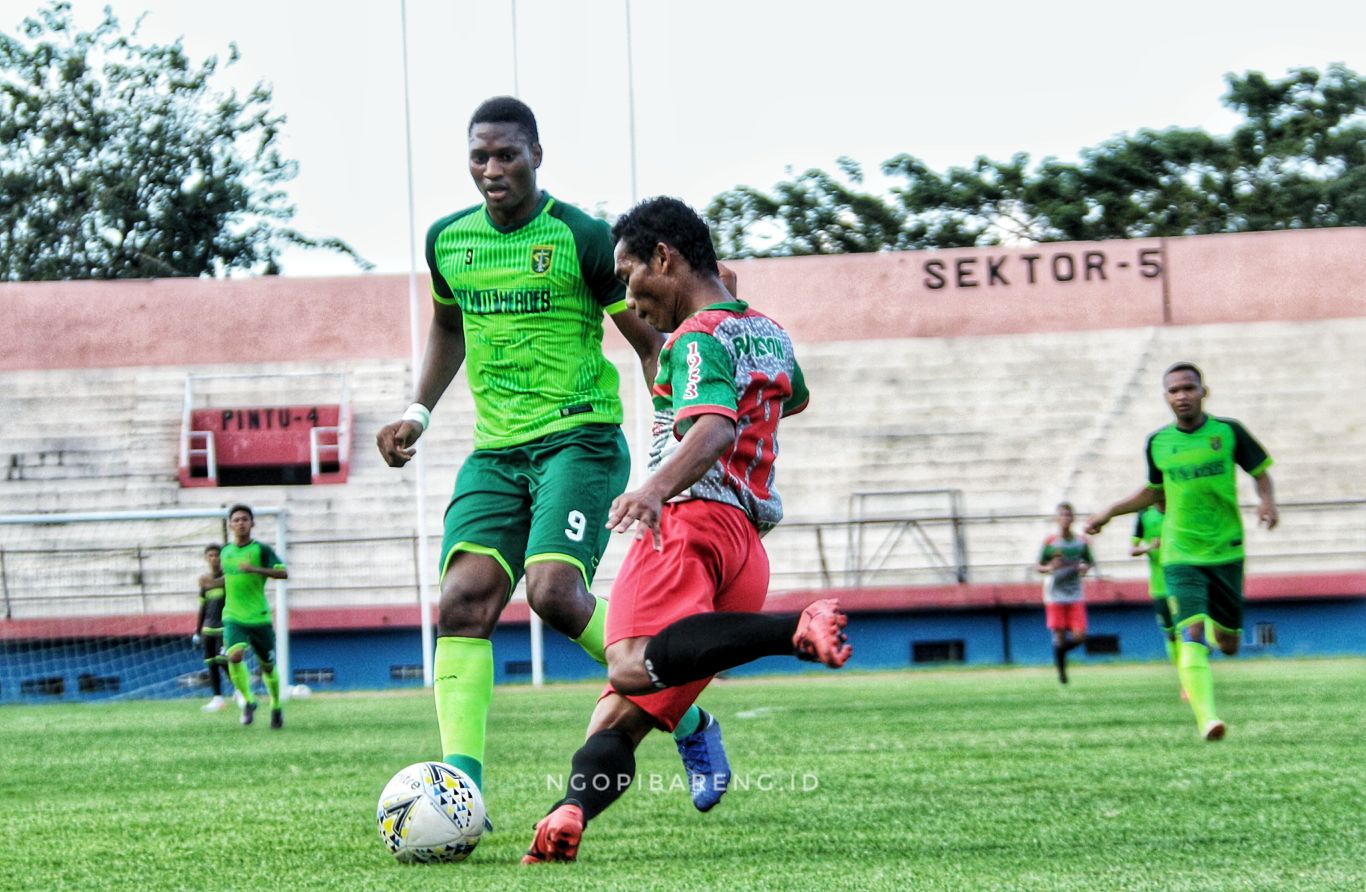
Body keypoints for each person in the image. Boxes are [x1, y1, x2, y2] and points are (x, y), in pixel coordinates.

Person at [374, 96, 728, 813]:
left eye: (507, 154)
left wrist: (674, 434)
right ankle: (459, 792)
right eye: (480, 156)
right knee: (462, 602)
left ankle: (688, 719)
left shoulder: (582, 236)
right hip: (495, 452)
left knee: (553, 594)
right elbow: (448, 326)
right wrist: (418, 410)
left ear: (537, 155)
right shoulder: (449, 240)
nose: (492, 169)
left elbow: (650, 337)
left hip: (580, 439)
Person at [523, 196, 852, 866]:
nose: (628, 295)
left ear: (664, 258)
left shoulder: (694, 339)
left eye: (629, 274)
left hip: (688, 526)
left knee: (624, 661)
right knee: (623, 710)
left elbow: (715, 425)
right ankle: (569, 815)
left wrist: (650, 489)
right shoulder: (771, 332)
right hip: (745, 545)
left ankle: (792, 630)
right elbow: (793, 394)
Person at [1085, 362, 1277, 740]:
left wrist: (1267, 502)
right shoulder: (1158, 442)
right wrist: (1109, 511)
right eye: (1174, 390)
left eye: (1189, 388)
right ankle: (1207, 719)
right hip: (1180, 551)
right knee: (1190, 632)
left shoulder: (1229, 432)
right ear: (1166, 397)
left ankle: (1219, 634)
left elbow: (1261, 472)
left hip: (1225, 548)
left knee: (1229, 642)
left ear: (1204, 392)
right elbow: (1154, 491)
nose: (1182, 395)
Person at [219, 504, 288, 730]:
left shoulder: (262, 550)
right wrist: (212, 583)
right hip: (233, 616)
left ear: (252, 523)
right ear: (230, 524)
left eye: (244, 519)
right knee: (234, 656)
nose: (240, 523)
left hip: (258, 616)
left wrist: (256, 569)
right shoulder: (225, 552)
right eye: (236, 520)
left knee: (267, 666)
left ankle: (276, 705)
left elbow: (282, 572)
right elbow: (232, 579)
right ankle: (248, 701)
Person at [1036, 502, 1093, 685]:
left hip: (1074, 593)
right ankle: (1062, 674)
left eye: (1068, 515)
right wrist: (1050, 567)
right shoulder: (1051, 542)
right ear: (1057, 518)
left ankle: (1059, 653)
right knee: (1059, 635)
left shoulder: (1081, 542)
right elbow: (1039, 566)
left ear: (1073, 518)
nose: (1065, 519)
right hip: (1055, 594)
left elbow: (1089, 562)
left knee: (1079, 636)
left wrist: (1085, 567)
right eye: (1062, 515)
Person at [1130, 498, 1182, 678]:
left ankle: (1189, 671)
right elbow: (1132, 550)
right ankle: (1180, 672)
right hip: (1159, 586)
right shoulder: (1144, 514)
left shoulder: (1178, 508)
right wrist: (1150, 547)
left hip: (1180, 582)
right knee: (1171, 633)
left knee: (1186, 629)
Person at [193, 544, 228, 712]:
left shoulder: (228, 578)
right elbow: (202, 607)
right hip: (208, 628)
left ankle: (240, 691)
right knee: (211, 663)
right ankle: (217, 698)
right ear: (206, 558)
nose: (214, 558)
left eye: (217, 555)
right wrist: (197, 631)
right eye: (211, 555)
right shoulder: (203, 582)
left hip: (224, 627)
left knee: (224, 661)